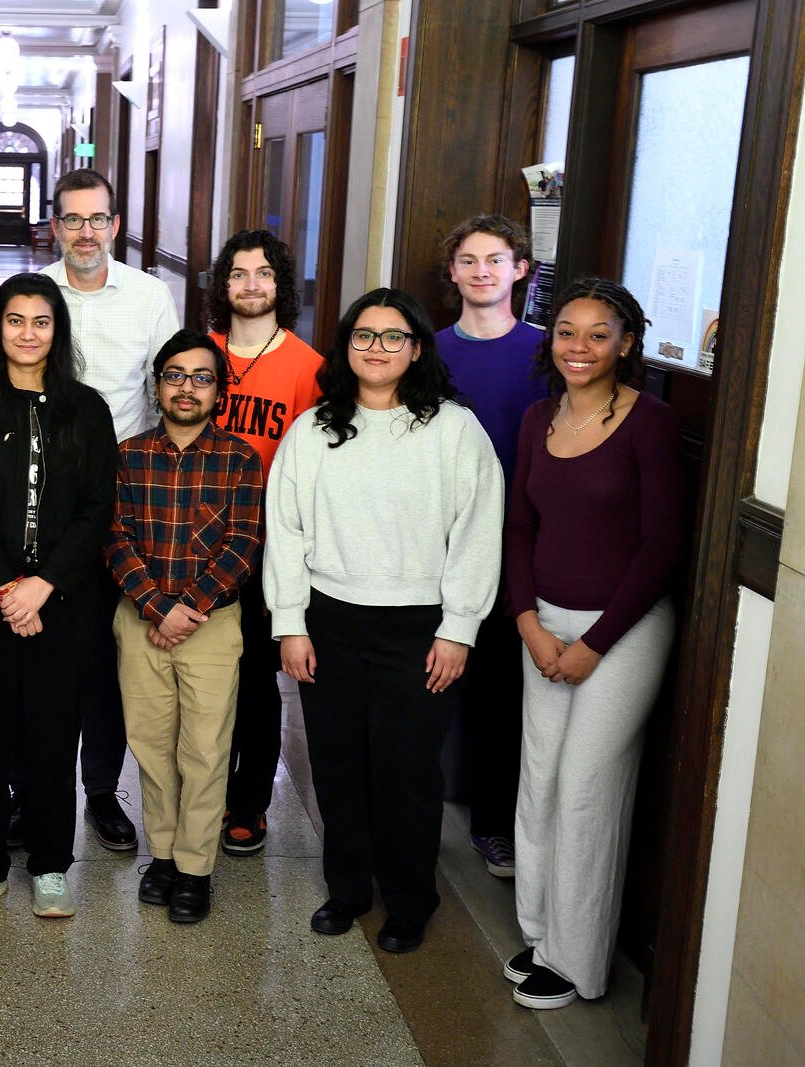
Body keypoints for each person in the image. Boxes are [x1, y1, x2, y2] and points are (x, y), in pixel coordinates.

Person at [266, 288, 502, 953]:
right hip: (329, 620)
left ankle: (408, 899)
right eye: (363, 336)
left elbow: (479, 532)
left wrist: (459, 628)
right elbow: (285, 531)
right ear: (345, 348)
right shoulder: (312, 430)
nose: (376, 348)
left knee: (406, 772)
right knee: (338, 765)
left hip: (420, 629)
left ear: (417, 348)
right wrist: (291, 622)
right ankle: (346, 889)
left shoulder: (454, 429)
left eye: (392, 336)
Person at [503, 278, 682, 1010]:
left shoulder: (652, 423)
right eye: (567, 331)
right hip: (543, 622)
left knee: (585, 790)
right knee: (540, 780)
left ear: (627, 344)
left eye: (598, 333)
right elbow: (519, 528)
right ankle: (543, 935)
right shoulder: (536, 417)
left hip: (625, 629)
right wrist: (527, 622)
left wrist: (595, 642)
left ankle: (578, 964)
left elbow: (663, 544)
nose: (579, 346)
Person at [0, 272, 117, 919]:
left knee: (52, 734)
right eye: (15, 320)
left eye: (40, 322)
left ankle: (49, 863)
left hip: (64, 605)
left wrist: (44, 585)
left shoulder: (86, 409)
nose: (27, 333)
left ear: (57, 330)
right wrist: (5, 586)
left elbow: (98, 506)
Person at [41, 167, 180, 851]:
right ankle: (32, 790)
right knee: (42, 652)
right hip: (45, 501)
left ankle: (100, 790)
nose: (86, 232)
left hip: (123, 501)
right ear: (55, 225)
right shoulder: (37, 295)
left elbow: (167, 395)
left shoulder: (151, 296)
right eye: (73, 219)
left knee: (106, 653)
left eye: (98, 219)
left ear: (116, 225)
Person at [105, 330, 263, 923]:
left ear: (218, 391)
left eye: (201, 377)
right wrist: (155, 607)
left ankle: (196, 868)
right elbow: (115, 538)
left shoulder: (240, 458)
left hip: (212, 625)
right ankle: (164, 856)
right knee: (150, 745)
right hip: (140, 618)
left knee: (204, 748)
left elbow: (244, 543)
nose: (187, 387)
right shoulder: (129, 455)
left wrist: (187, 608)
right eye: (175, 375)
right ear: (158, 385)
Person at [434, 214, 547, 879]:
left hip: (516, 539)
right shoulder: (431, 350)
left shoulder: (543, 352)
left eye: (496, 259)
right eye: (469, 260)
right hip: (438, 538)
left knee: (500, 688)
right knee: (435, 673)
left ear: (520, 269)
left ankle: (493, 824)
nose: (482, 271)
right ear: (452, 272)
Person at [205, 229, 323, 857]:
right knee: (202, 676)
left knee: (255, 679)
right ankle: (205, 787)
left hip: (266, 548)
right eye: (238, 274)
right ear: (223, 286)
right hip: (196, 542)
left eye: (264, 274)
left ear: (281, 284)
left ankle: (248, 802)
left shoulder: (308, 368)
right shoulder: (203, 354)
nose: (251, 285)